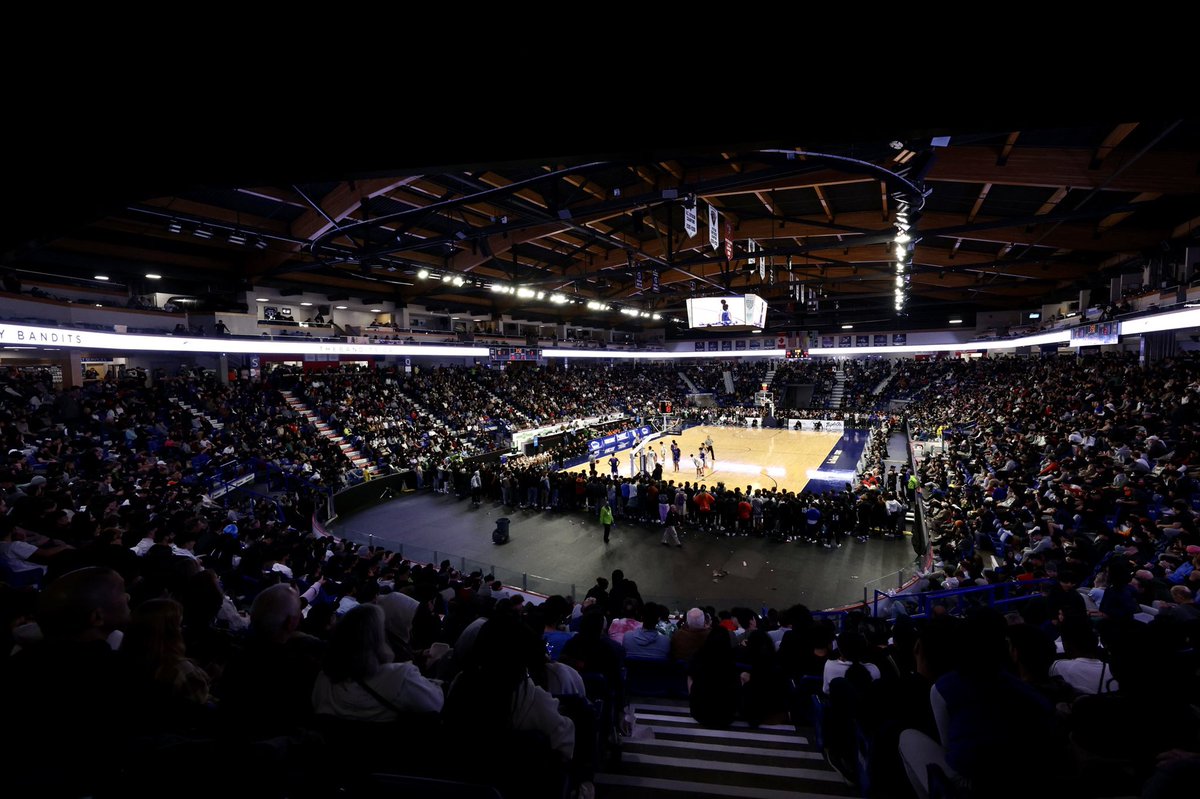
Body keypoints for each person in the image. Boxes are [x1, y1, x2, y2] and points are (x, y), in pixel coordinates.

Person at [311, 603, 444, 720]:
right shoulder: (400, 677)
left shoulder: (323, 680)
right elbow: (436, 702)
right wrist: (436, 679)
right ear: (378, 640)